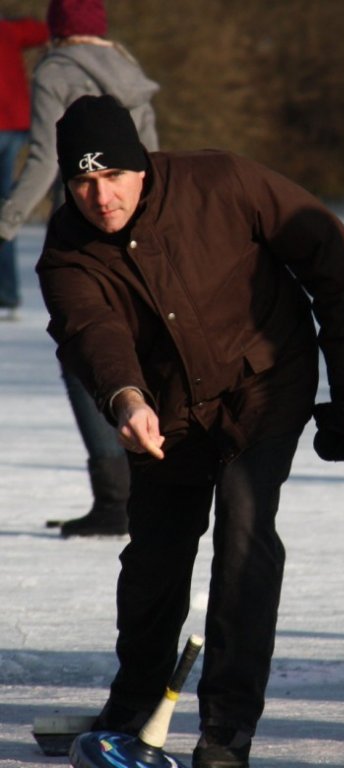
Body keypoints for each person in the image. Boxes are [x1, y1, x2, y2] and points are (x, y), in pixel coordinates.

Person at [38, 94, 344, 768]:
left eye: (111, 175)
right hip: (162, 410)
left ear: (140, 166)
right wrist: (127, 399)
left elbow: (329, 251)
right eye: (82, 181)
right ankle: (135, 702)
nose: (99, 195)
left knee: (245, 527)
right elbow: (92, 331)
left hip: (264, 380)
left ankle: (227, 725)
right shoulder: (67, 251)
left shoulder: (220, 183)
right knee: (155, 554)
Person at [1, 0, 160, 537]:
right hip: (141, 223)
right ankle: (146, 488)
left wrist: (5, 220)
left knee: (85, 355)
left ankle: (116, 498)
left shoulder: (55, 70)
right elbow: (150, 156)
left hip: (83, 231)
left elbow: (47, 158)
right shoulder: (127, 67)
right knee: (135, 348)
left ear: (58, 29)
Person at [0, 12, 48, 318]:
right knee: (6, 206)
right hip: (14, 125)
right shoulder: (8, 30)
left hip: (11, 125)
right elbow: (48, 29)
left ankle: (7, 293)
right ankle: (8, 294)